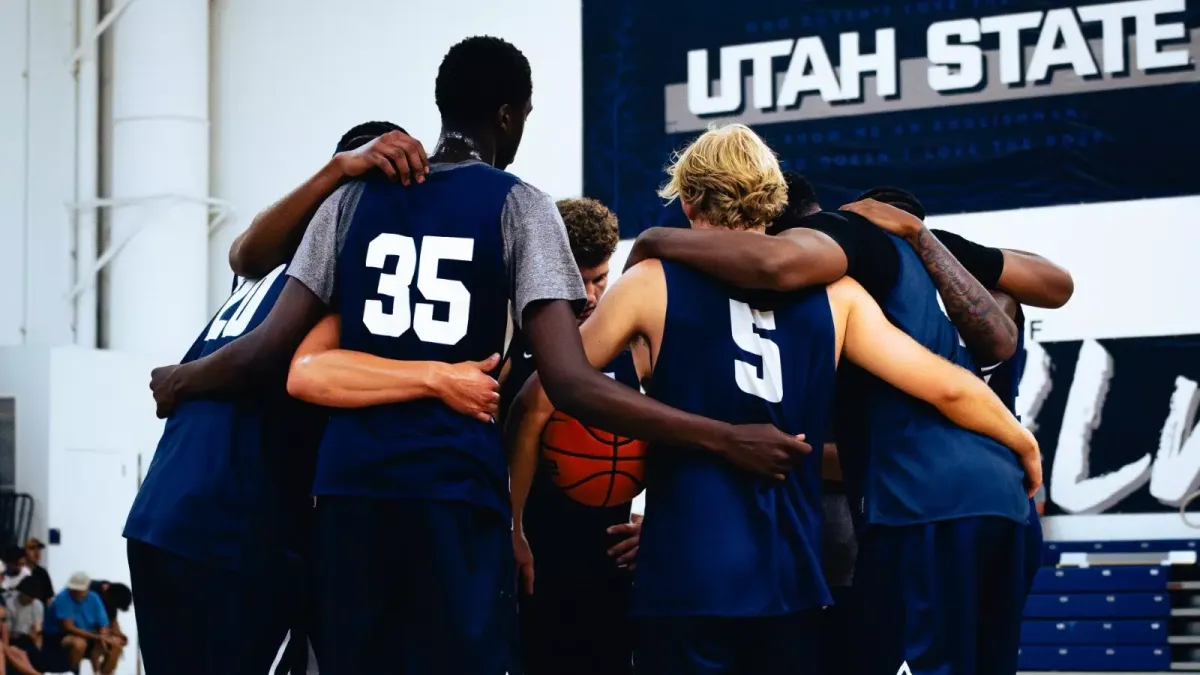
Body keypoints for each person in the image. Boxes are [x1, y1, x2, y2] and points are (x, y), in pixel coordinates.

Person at [280, 36, 807, 675]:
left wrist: (191, 376)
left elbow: (284, 345)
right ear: (510, 114)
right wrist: (725, 438)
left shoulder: (349, 201)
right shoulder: (518, 203)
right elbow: (571, 382)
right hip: (451, 484)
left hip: (349, 489)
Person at [507, 123, 1039, 675]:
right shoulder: (840, 296)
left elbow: (541, 394)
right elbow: (950, 385)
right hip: (792, 577)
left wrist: (515, 522)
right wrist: (1019, 439)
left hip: (687, 570)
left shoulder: (649, 282)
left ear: (688, 202)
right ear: (773, 200)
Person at [626, 178, 1071, 675]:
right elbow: (1050, 292)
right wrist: (1022, 441)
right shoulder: (937, 258)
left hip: (919, 505)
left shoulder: (835, 256)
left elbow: (774, 266)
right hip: (1004, 502)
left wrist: (652, 241)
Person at [123, 122, 452, 675]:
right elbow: (270, 356)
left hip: (164, 517)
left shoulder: (273, 259)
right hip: (236, 530)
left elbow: (242, 255)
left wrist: (184, 377)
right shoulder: (336, 268)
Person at [501, 198, 645, 675]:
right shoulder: (508, 342)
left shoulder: (633, 345)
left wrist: (660, 524)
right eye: (575, 278)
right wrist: (510, 529)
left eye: (599, 278)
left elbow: (670, 436)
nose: (587, 295)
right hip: (529, 564)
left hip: (609, 567)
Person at [43, 572, 118, 673]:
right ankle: (75, 669)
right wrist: (97, 637)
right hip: (60, 635)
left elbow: (103, 623)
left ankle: (100, 672)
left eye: (79, 590)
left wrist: (103, 636)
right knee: (79, 644)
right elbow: (69, 627)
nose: (76, 592)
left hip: (88, 634)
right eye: (74, 589)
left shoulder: (94, 598)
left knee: (115, 647)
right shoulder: (63, 597)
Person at [5, 576, 46, 675]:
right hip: (12, 638)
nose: (31, 600)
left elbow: (37, 629)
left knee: (39, 660)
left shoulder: (37, 605)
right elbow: (7, 630)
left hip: (30, 639)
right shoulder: (9, 603)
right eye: (29, 596)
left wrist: (38, 649)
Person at [21, 540, 52, 606]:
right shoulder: (18, 571)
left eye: (39, 549)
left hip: (38, 613)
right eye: (32, 548)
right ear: (25, 551)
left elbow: (49, 598)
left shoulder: (42, 573)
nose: (36, 552)